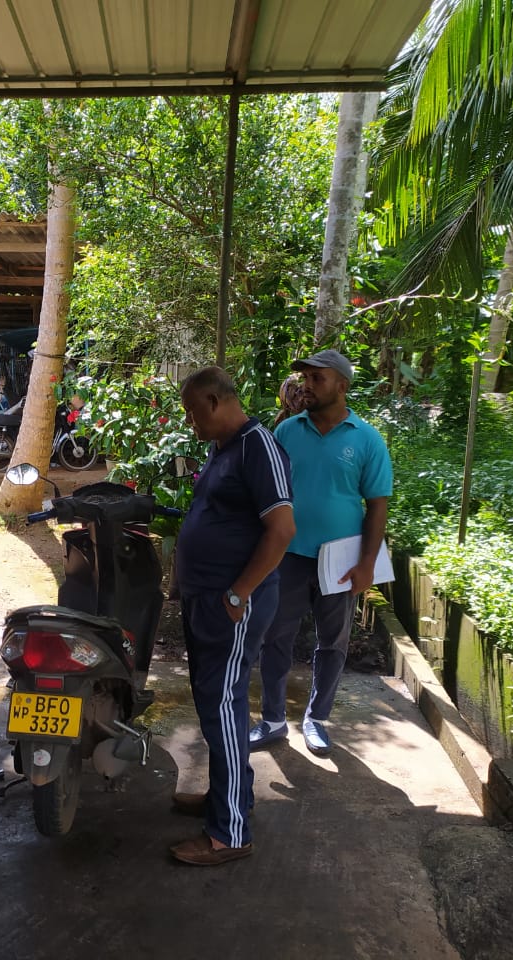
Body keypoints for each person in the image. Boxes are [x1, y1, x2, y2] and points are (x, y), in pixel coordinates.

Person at [169, 366, 294, 866]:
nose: (191, 423)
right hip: (210, 599)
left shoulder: (259, 445)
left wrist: (240, 593)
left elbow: (281, 530)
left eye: (193, 413)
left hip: (234, 604)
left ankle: (231, 832)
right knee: (213, 701)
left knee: (223, 702)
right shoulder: (224, 448)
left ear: (216, 401)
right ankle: (225, 798)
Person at [250, 349, 393, 757]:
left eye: (318, 379)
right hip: (287, 555)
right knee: (275, 637)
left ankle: (316, 719)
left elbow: (378, 504)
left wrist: (366, 564)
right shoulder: (287, 432)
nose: (306, 386)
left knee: (333, 642)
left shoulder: (366, 439)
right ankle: (273, 720)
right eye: (305, 379)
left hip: (341, 561)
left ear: (342, 386)